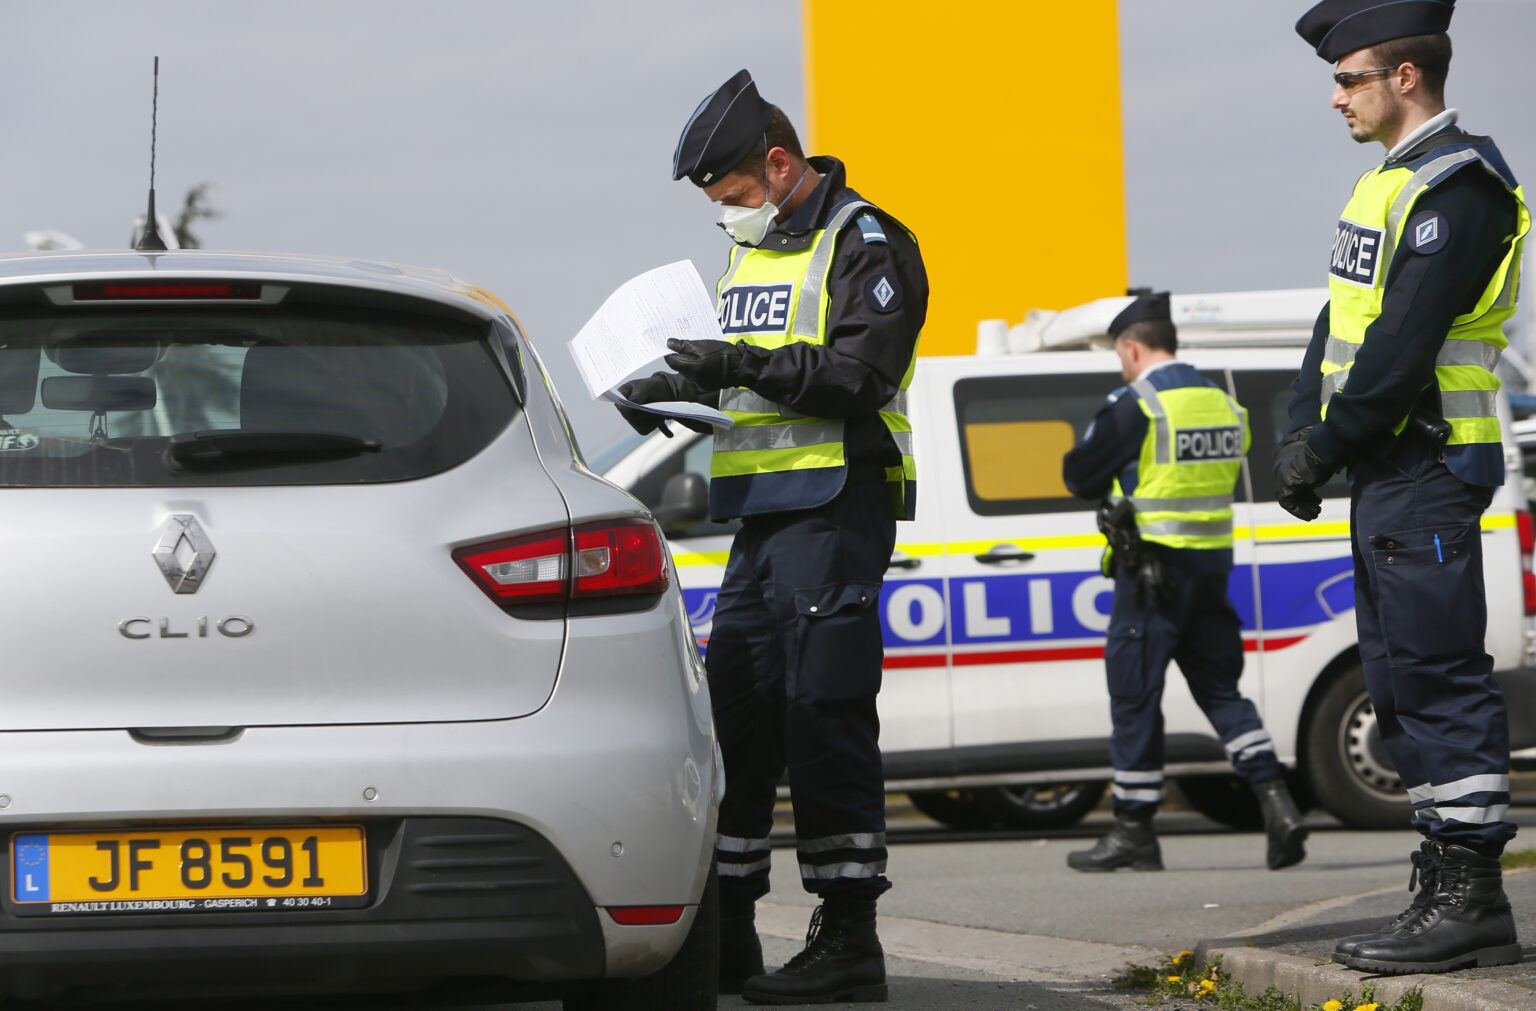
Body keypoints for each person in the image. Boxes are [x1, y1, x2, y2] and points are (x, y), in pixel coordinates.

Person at [617, 68, 927, 1005]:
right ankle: (730, 929)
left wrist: (737, 360)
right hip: (761, 519)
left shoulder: (867, 240)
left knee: (822, 711)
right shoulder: (751, 256)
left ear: (779, 162)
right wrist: (673, 391)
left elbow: (859, 374)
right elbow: (749, 381)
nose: (726, 216)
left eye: (732, 195)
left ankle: (848, 940)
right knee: (738, 720)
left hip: (835, 511)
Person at [1278, 0, 1530, 975]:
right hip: (1386, 471)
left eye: (1349, 78)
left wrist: (1330, 442)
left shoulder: (1459, 189)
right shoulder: (1385, 186)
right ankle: (1441, 882)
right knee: (1395, 682)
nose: (1336, 96)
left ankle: (1473, 900)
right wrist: (1309, 436)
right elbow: (1336, 323)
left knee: (1438, 677)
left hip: (1425, 465)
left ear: (1407, 78)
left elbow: (1401, 346)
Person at [1061, 292, 1309, 875]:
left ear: (1132, 347)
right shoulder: (1221, 402)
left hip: (1150, 576)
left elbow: (1079, 474)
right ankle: (1276, 799)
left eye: (1120, 353)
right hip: (1211, 571)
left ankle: (1133, 831)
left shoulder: (1138, 403)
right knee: (1222, 691)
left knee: (1135, 697)